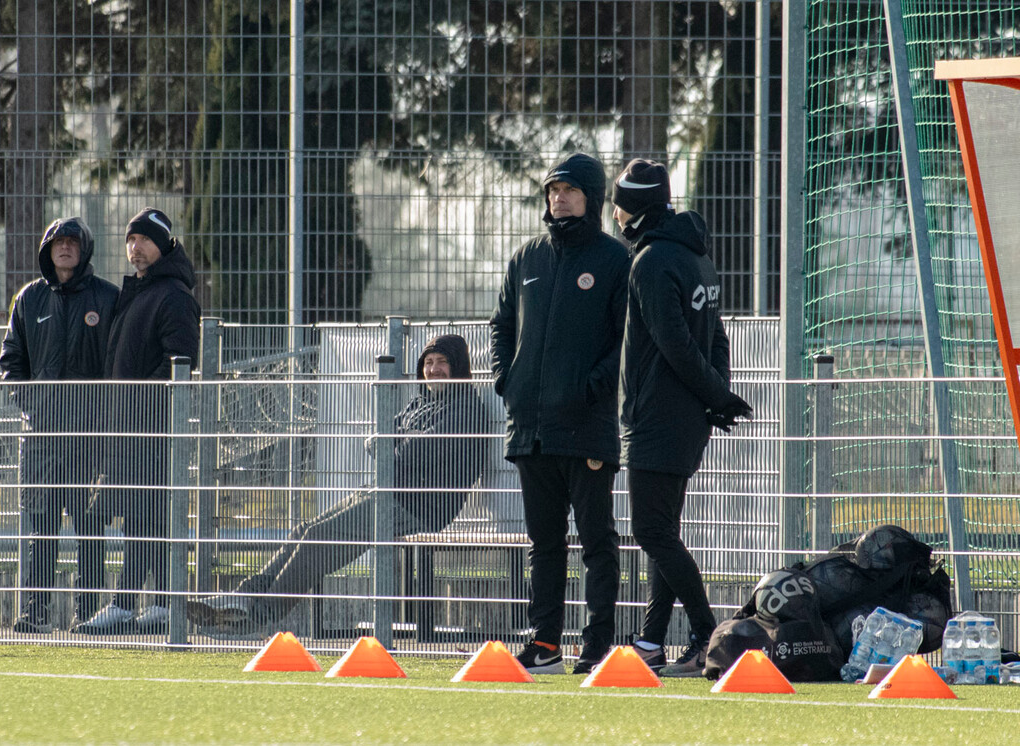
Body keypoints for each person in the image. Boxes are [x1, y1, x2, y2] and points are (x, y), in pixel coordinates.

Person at [186, 334, 491, 637]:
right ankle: (244, 598)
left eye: (442, 363)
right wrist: (393, 445)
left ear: (460, 367)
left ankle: (255, 619)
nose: (434, 369)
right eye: (428, 362)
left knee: (317, 538)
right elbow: (381, 439)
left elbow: (411, 451)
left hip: (417, 507)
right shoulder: (421, 403)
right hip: (386, 491)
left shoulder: (465, 410)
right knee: (303, 531)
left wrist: (393, 445)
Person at [490, 153, 631, 674]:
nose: (559, 198)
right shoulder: (527, 257)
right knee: (543, 542)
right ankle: (544, 644)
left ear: (592, 198)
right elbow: (501, 326)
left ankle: (596, 646)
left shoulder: (616, 261)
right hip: (530, 429)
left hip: (587, 427)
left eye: (569, 190)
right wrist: (509, 381)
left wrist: (590, 389)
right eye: (552, 190)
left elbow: (624, 341)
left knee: (597, 541)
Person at [611, 158, 752, 677]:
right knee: (664, 530)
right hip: (687, 415)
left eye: (620, 206)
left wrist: (715, 394)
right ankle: (651, 640)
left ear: (638, 210)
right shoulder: (697, 257)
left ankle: (705, 636)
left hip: (658, 417)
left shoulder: (650, 262)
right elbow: (715, 338)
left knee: (651, 531)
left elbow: (673, 345)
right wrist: (715, 395)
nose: (616, 216)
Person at [73, 207, 201, 634]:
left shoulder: (173, 297)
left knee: (142, 514)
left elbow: (179, 364)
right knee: (144, 515)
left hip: (152, 426)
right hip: (126, 424)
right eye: (130, 240)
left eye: (143, 239)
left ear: (163, 244)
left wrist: (137, 402)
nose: (135, 248)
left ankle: (126, 604)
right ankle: (162, 602)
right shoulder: (142, 293)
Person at [0, 216, 119, 633]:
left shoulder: (107, 298)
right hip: (42, 437)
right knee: (41, 527)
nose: (64, 248)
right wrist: (28, 402)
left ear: (84, 249)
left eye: (72, 242)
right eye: (57, 242)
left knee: (89, 527)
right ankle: (35, 615)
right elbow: (11, 361)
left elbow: (119, 366)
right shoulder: (29, 300)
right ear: (47, 250)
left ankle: (88, 616)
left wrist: (105, 416)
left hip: (90, 437)